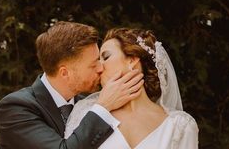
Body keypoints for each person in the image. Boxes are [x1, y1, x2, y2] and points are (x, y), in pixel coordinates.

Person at [0, 21, 145, 149]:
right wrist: (103, 107)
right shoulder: (16, 108)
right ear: (65, 73)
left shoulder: (88, 102)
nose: (101, 68)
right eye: (93, 65)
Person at [64, 28, 198, 148]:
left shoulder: (180, 125)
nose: (99, 68)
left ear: (132, 60)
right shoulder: (86, 112)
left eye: (106, 57)